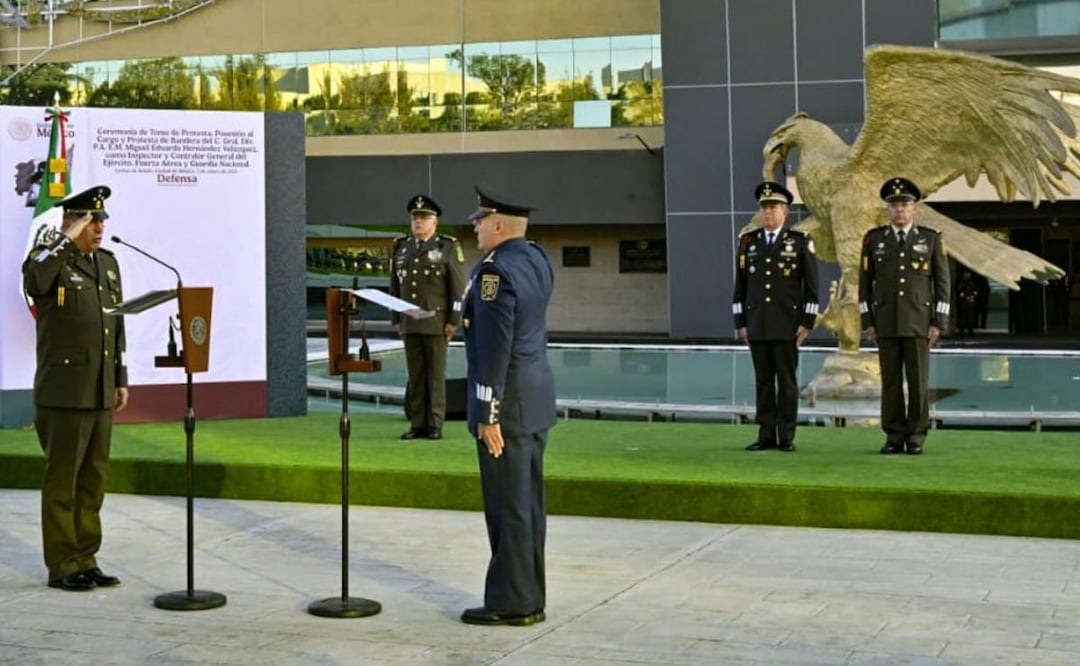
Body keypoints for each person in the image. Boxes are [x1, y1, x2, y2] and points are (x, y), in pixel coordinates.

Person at [22, 185, 129, 591]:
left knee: (93, 479)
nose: (100, 227)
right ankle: (62, 564)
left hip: (100, 389)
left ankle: (86, 557)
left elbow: (114, 326)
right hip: (63, 391)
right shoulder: (47, 260)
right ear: (73, 222)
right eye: (91, 220)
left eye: (102, 219)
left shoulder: (107, 263)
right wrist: (64, 238)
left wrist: (120, 378)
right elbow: (34, 281)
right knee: (63, 481)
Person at [460, 184, 555, 627]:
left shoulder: (495, 272)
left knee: (508, 507)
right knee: (528, 506)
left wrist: (487, 413)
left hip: (508, 407)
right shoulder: (536, 258)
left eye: (480, 219)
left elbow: (494, 350)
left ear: (499, 225)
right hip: (533, 401)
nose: (475, 226)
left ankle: (511, 602)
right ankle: (529, 596)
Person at [859, 177, 950, 456]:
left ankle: (916, 436)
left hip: (918, 322)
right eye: (894, 205)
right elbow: (865, 284)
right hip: (885, 322)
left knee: (918, 382)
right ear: (887, 209)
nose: (899, 210)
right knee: (890, 383)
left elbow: (942, 283)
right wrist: (868, 321)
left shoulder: (930, 239)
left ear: (914, 209)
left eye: (905, 205)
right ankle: (894, 435)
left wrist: (938, 322)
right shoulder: (874, 239)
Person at [733, 181, 819, 452]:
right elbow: (740, 288)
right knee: (763, 382)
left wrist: (806, 323)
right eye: (765, 208)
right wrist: (741, 323)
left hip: (787, 326)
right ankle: (766, 434)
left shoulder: (799, 242)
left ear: (785, 212)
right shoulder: (749, 243)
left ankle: (787, 436)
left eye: (774, 208)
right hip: (758, 325)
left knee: (787, 382)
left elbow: (812, 289)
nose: (768, 213)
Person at [388, 194, 466, 440]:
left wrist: (453, 320)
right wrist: (396, 319)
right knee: (416, 376)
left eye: (423, 218)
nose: (418, 222)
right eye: (415, 218)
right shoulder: (401, 247)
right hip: (410, 322)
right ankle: (417, 424)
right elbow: (394, 286)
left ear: (435, 222)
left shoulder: (447, 247)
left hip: (436, 322)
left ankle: (434, 425)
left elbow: (457, 287)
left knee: (434, 376)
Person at [955, 268, 983, 336]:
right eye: (965, 274)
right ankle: (961, 331)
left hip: (971, 303)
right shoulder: (961, 282)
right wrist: (965, 296)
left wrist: (972, 296)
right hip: (963, 303)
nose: (966, 275)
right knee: (962, 318)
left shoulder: (972, 282)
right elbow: (959, 291)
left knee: (970, 318)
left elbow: (976, 291)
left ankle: (970, 331)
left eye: (967, 274)